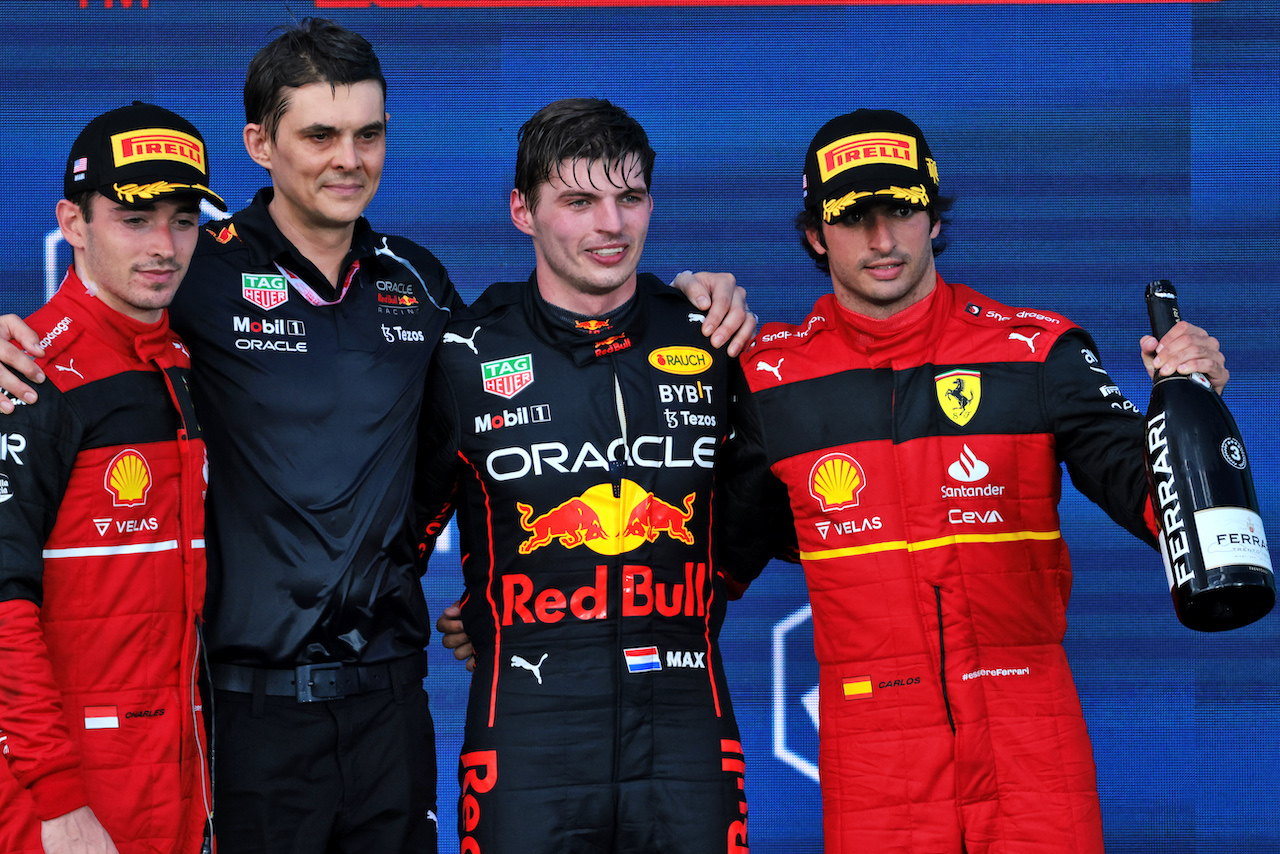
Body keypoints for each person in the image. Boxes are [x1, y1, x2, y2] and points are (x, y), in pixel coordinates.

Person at [0, 21, 752, 854]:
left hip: (391, 699)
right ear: (259, 143)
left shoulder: (418, 280)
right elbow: (92, 326)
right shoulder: (192, 266)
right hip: (249, 707)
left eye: (368, 133)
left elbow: (526, 388)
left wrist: (683, 294)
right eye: (319, 134)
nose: (347, 158)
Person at [719, 109, 1229, 853]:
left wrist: (1189, 405)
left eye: (901, 210)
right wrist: (510, 610)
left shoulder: (1037, 350)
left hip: (1034, 761)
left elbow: (1158, 502)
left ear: (934, 216)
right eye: (854, 218)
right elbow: (693, 573)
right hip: (878, 778)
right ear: (814, 234)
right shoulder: (769, 379)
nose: (883, 240)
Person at [414, 98, 750, 854]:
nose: (611, 225)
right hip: (528, 740)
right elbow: (393, 539)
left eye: (629, 199)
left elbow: (754, 517)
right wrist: (487, 613)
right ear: (522, 211)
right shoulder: (464, 353)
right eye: (579, 201)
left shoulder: (712, 334)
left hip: (686, 734)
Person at [0, 102, 223, 854]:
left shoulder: (191, 364)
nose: (165, 246)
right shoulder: (28, 377)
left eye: (183, 219)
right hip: (66, 793)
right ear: (72, 222)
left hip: (180, 776)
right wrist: (57, 799)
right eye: (135, 218)